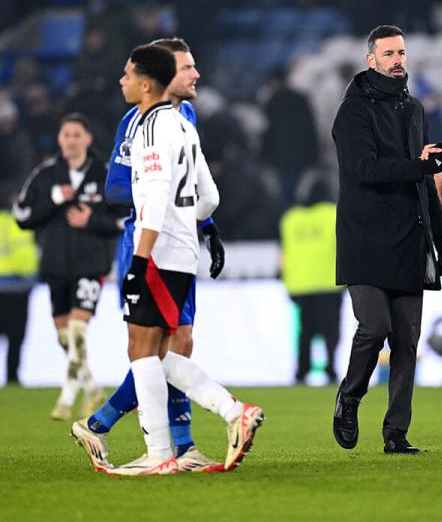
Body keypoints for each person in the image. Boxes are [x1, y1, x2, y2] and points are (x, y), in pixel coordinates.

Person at [106, 44, 263, 475]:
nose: (121, 82)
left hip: (156, 251)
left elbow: (154, 198)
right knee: (154, 352)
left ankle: (169, 450)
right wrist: (196, 225)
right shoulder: (184, 124)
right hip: (181, 250)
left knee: (141, 349)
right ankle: (221, 420)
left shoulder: (150, 128)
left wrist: (139, 259)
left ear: (145, 83)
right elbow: (209, 196)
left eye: (126, 74)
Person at [71, 38, 226, 474]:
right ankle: (180, 442)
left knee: (180, 342)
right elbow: (117, 189)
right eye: (187, 67)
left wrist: (207, 225)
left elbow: (193, 185)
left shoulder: (186, 115)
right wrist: (155, 200)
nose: (195, 74)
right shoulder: (137, 123)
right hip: (145, 241)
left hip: (180, 241)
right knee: (156, 345)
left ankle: (114, 428)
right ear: (160, 77)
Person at [332, 25, 442, 455]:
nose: (397, 60)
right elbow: (364, 169)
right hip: (364, 237)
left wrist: (441, 237)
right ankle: (349, 397)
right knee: (375, 327)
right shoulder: (352, 112)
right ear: (371, 60)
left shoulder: (414, 108)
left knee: (407, 338)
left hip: (408, 238)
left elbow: (426, 182)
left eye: (401, 52)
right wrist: (419, 166)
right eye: (388, 54)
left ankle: (396, 434)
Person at [13, 113, 124, 420]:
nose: (71, 140)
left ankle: (66, 399)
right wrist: (52, 198)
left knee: (77, 328)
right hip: (56, 266)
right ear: (59, 140)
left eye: (77, 134)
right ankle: (92, 390)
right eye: (66, 135)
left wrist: (92, 220)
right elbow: (22, 216)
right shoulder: (46, 175)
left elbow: (125, 218)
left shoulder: (106, 174)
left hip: (92, 264)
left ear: (88, 139)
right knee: (66, 337)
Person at [280, 170, 342, 383]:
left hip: (300, 284)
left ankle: (302, 371)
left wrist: (287, 282)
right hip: (329, 283)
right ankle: (331, 367)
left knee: (305, 332)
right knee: (330, 331)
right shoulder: (334, 214)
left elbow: (285, 254)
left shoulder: (291, 219)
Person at [0, 193, 38, 385]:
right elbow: (25, 259)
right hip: (16, 288)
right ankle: (12, 377)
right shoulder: (18, 225)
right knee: (16, 338)